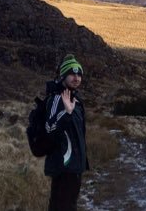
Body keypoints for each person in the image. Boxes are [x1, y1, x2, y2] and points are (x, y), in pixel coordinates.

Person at [43, 54, 89, 211]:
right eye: (72, 74)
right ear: (63, 75)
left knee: (69, 205)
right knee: (60, 206)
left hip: (75, 166)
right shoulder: (56, 99)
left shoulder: (76, 100)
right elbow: (49, 129)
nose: (76, 78)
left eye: (79, 74)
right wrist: (66, 113)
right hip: (63, 166)